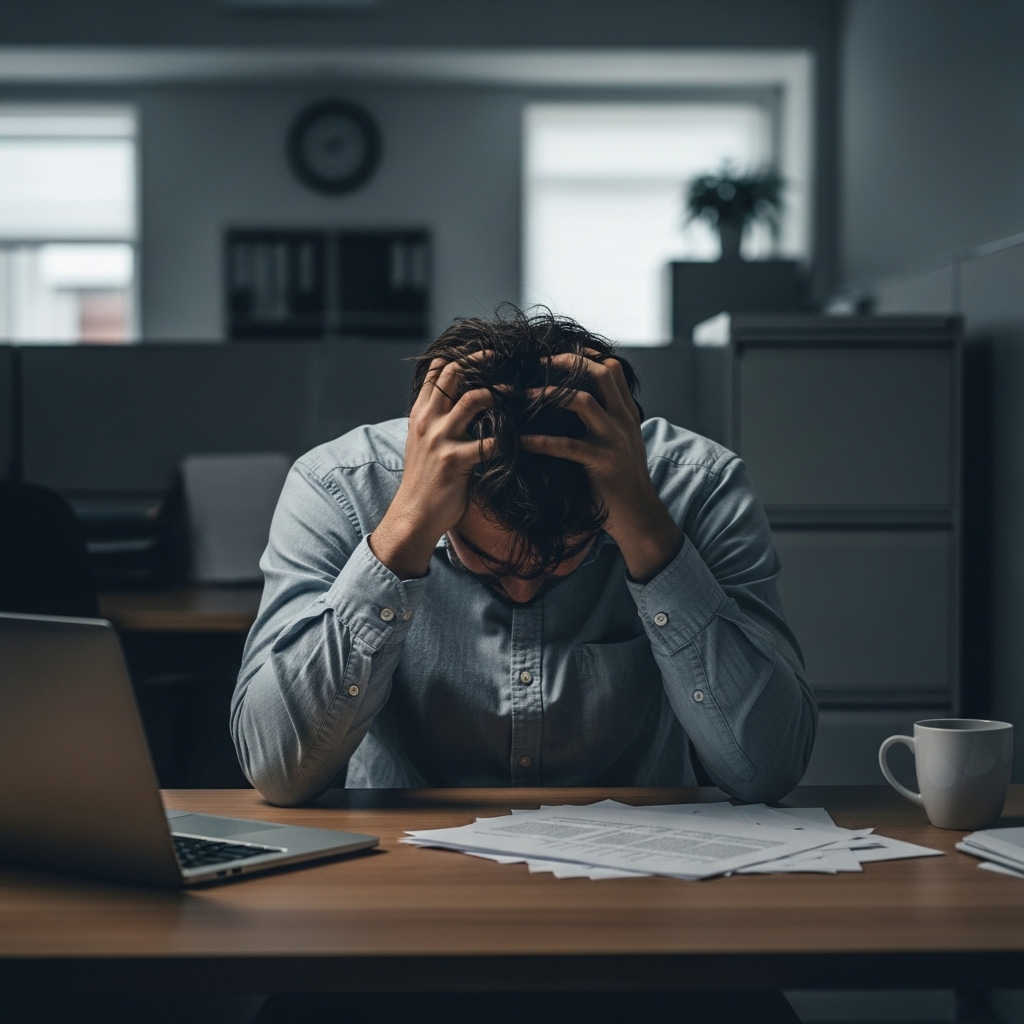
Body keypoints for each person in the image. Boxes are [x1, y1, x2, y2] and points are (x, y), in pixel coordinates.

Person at [231, 307, 816, 805]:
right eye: (493, 563)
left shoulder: (698, 488)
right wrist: (402, 534)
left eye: (561, 559)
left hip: (641, 885)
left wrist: (649, 533)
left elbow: (767, 769)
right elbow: (279, 771)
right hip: (401, 879)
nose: (523, 592)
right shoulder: (338, 487)